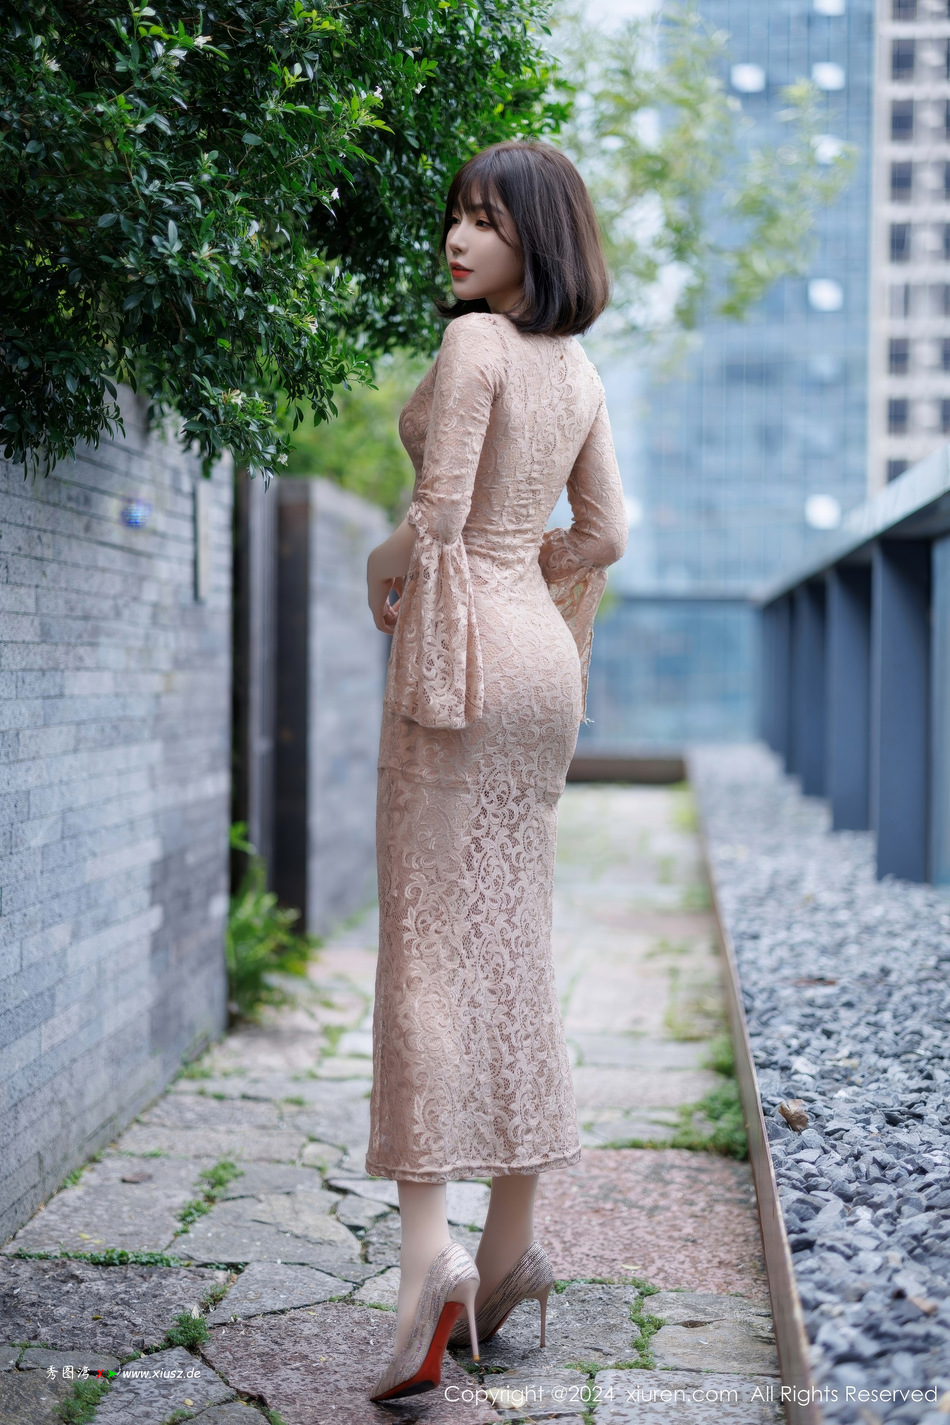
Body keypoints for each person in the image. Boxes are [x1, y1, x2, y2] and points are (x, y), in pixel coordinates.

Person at [364, 138, 628, 1403]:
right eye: (454, 216)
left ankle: (431, 1265)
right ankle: (512, 1252)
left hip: (459, 661)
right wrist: (529, 585)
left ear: (538, 236)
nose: (457, 239)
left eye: (485, 219)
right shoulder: (576, 369)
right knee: (511, 940)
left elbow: (437, 515)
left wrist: (380, 568)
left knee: (426, 945)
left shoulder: (474, 344)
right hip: (537, 663)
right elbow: (606, 534)